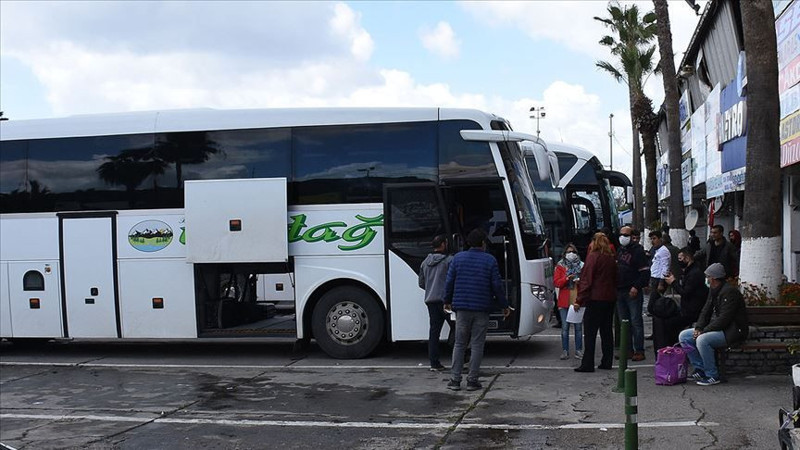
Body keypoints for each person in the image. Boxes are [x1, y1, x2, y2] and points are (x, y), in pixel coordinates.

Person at [444, 228, 511, 391]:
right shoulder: (490, 260)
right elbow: (496, 285)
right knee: (477, 344)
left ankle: (455, 380)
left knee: (459, 343)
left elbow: (449, 282)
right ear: (482, 243)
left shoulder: (457, 259)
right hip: (481, 308)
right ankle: (472, 380)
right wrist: (504, 305)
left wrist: (447, 300)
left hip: (461, 308)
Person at [678, 263, 749, 386]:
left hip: (732, 331)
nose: (706, 279)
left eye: (708, 276)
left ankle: (712, 375)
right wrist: (699, 327)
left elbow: (724, 319)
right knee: (684, 336)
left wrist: (704, 331)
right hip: (720, 329)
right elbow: (706, 310)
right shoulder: (713, 290)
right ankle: (700, 368)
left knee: (702, 340)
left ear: (714, 278)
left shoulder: (729, 292)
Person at [574, 232, 618, 373]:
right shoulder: (610, 258)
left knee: (590, 332)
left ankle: (587, 363)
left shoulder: (593, 257)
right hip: (609, 298)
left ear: (594, 242)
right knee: (606, 331)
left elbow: (587, 280)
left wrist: (579, 299)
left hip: (595, 298)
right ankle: (606, 361)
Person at [656, 248, 708, 356]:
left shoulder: (694, 273)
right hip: (688, 308)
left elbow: (685, 292)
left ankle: (675, 351)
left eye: (680, 258)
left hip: (693, 311)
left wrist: (673, 282)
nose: (679, 261)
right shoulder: (689, 271)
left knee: (670, 324)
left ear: (687, 258)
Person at [419, 234, 453, 371]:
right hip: (446, 301)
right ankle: (459, 357)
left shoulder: (425, 262)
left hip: (431, 301)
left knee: (434, 332)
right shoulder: (449, 261)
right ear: (444, 244)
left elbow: (421, 283)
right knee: (457, 328)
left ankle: (434, 363)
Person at [615, 226, 650, 362]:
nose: (623, 237)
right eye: (621, 234)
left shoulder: (638, 251)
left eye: (626, 235)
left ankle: (639, 350)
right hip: (620, 290)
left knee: (636, 321)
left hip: (632, 291)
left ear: (631, 236)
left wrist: (636, 286)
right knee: (624, 323)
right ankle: (627, 350)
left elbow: (645, 272)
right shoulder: (620, 250)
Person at [642, 230, 671, 361]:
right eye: (651, 239)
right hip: (654, 279)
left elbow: (664, 267)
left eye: (654, 238)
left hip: (659, 280)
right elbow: (654, 266)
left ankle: (660, 330)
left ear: (660, 239)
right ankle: (656, 331)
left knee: (653, 307)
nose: (652, 241)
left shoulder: (664, 251)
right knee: (653, 308)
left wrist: (660, 283)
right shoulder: (656, 250)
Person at [553, 244, 584, 360]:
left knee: (578, 327)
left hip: (577, 299)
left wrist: (578, 281)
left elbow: (586, 282)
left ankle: (578, 350)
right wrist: (567, 278)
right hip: (564, 300)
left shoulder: (581, 266)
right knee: (565, 327)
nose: (571, 254)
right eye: (568, 252)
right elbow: (557, 282)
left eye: (573, 252)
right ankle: (565, 351)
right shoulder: (560, 266)